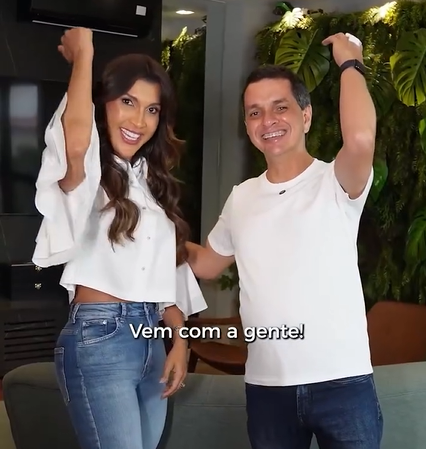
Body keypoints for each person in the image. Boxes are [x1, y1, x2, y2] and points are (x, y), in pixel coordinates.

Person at [186, 33, 382, 449]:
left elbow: (361, 140)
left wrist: (350, 64)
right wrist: (152, 227)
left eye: (281, 107)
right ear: (247, 127)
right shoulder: (242, 198)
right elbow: (206, 264)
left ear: (305, 116)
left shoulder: (335, 181)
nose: (267, 121)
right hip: (267, 388)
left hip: (342, 382)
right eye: (254, 112)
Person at [32, 27, 207, 449]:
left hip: (151, 338)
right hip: (100, 336)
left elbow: (166, 276)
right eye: (127, 102)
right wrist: (84, 56)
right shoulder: (85, 173)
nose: (139, 121)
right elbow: (76, 144)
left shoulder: (149, 182)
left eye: (152, 109)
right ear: (103, 103)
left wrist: (180, 341)